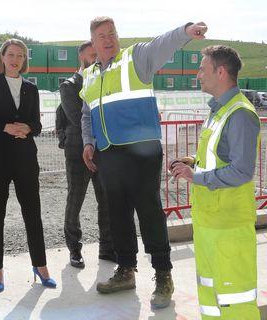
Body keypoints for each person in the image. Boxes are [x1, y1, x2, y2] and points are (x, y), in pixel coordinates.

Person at [80, 16, 207, 309]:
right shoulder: (89, 76)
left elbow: (163, 45)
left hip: (142, 151)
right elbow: (87, 113)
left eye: (112, 33)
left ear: (117, 36)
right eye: (101, 36)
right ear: (93, 42)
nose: (108, 39)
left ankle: (163, 275)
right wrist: (88, 142)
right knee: (118, 213)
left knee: (149, 212)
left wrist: (184, 31)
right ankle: (126, 269)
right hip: (108, 152)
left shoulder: (135, 58)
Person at [171, 45, 261, 319]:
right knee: (210, 296)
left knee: (236, 300)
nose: (198, 75)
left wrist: (195, 176)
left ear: (221, 72)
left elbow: (241, 171)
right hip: (209, 224)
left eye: (203, 68)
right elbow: (216, 159)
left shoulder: (240, 114)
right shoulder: (218, 111)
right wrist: (190, 163)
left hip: (229, 228)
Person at [0, 38, 56, 293]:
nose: (15, 59)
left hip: (26, 159)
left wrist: (29, 128)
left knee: (33, 213)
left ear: (24, 60)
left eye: (20, 55)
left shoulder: (32, 88)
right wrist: (3, 127)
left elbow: (38, 126)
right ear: (3, 57)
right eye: (11, 54)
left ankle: (40, 266)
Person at [60, 41, 115, 268]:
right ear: (83, 58)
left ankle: (107, 249)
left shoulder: (105, 81)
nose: (98, 58)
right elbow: (77, 117)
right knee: (76, 200)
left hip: (103, 151)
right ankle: (74, 250)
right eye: (93, 55)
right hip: (77, 152)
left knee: (106, 202)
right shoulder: (69, 86)